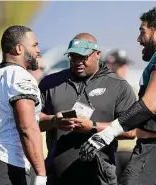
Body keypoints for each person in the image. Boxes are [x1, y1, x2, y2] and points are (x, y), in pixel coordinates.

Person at [78, 7, 156, 185]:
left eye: (142, 32)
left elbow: (151, 104)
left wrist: (107, 133)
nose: (139, 39)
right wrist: (96, 128)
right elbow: (146, 124)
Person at [38, 33, 136, 185]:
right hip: (57, 176)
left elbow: (131, 131)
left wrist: (93, 127)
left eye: (83, 57)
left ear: (97, 54)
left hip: (99, 177)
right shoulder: (50, 83)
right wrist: (54, 121)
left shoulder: (118, 86)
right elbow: (32, 122)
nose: (78, 62)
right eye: (73, 57)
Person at [0, 25, 47, 185]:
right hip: (7, 165)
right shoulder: (19, 77)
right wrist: (41, 173)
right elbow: (27, 128)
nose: (38, 50)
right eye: (34, 45)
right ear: (19, 49)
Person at [103, 49, 137, 178]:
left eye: (124, 65)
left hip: (131, 150)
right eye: (119, 65)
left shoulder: (133, 90)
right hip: (109, 150)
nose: (123, 69)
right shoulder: (100, 91)